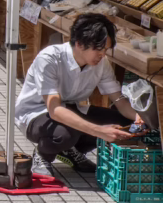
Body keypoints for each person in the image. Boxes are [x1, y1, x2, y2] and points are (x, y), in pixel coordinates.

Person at [15, 14, 138, 177]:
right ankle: (43, 154)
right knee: (65, 132)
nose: (102, 54)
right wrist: (99, 131)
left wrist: (138, 118)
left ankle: (69, 150)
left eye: (106, 49)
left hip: (72, 109)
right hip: (36, 114)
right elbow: (55, 110)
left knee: (124, 124)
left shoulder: (101, 63)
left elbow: (118, 99)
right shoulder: (50, 58)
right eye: (99, 49)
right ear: (79, 44)